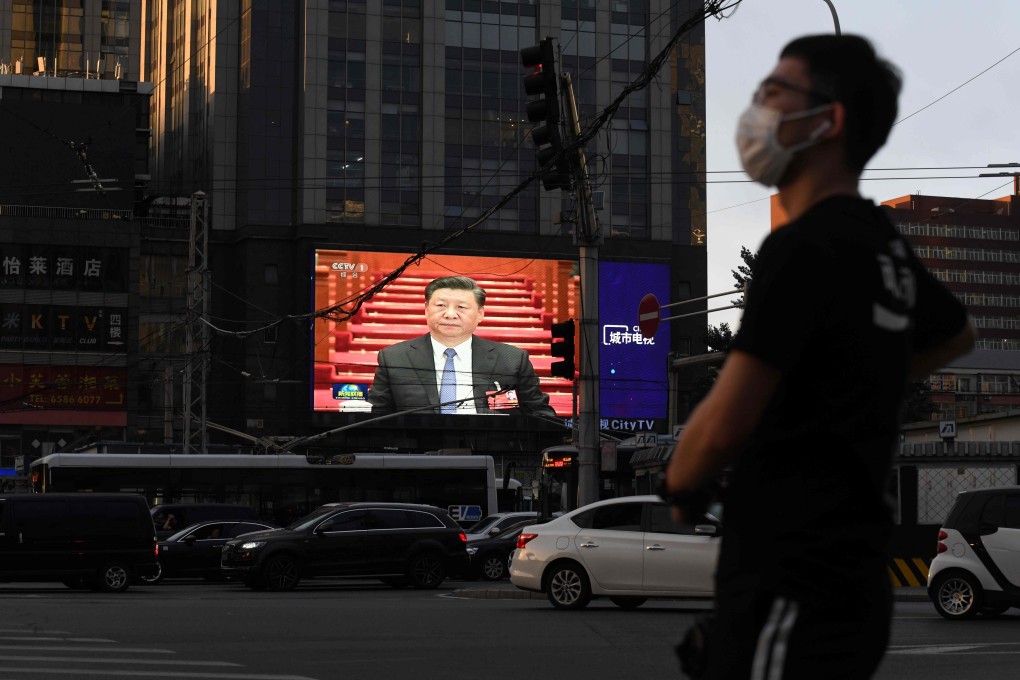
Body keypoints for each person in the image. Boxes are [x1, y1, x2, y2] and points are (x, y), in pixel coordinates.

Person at [663, 35, 977, 680]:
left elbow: (723, 423)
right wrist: (864, 377)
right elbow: (956, 334)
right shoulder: (878, 241)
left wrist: (681, 480)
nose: (755, 111)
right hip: (847, 572)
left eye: (774, 94)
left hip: (792, 575)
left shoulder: (805, 247)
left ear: (827, 120)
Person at [367, 275, 556, 417]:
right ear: (426, 309)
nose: (450, 314)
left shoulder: (512, 359)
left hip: (489, 453)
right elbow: (377, 417)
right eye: (440, 305)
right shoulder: (394, 357)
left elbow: (540, 414)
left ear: (480, 314)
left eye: (461, 307)